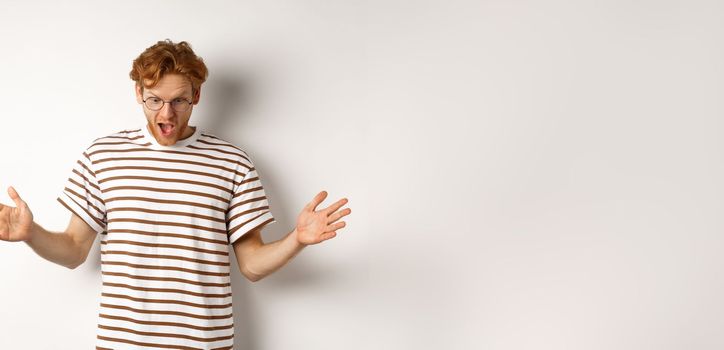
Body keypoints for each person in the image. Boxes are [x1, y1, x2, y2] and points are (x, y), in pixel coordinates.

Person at [0, 39, 351, 349]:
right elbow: (74, 250)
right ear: (138, 93)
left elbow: (252, 265)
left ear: (197, 95)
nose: (166, 114)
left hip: (204, 344)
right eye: (154, 100)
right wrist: (31, 234)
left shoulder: (233, 162)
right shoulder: (102, 155)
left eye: (179, 101)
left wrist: (297, 239)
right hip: (122, 344)